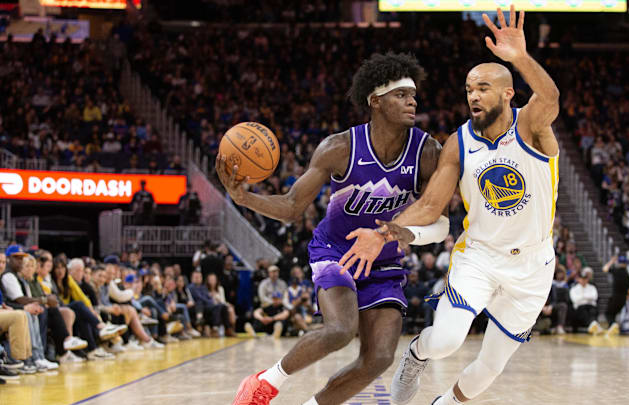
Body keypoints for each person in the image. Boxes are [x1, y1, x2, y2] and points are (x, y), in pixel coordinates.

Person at [338, 7, 560, 404]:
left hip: (533, 266)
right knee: (445, 341)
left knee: (490, 367)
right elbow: (429, 205)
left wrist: (520, 58)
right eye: (469, 89)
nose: (474, 95)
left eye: (483, 88)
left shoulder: (531, 125)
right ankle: (416, 355)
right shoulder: (459, 143)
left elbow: (551, 96)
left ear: (508, 93)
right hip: (480, 256)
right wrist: (383, 232)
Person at [217, 52, 445, 405]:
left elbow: (437, 214)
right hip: (335, 250)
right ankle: (264, 383)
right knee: (339, 330)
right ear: (376, 101)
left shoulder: (428, 152)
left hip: (384, 261)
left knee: (379, 359)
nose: (412, 100)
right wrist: (244, 197)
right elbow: (293, 207)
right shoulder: (339, 148)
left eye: (413, 94)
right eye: (401, 94)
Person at [602, 255, 629, 335]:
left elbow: (605, 269)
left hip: (616, 296)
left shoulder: (616, 271)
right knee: (614, 313)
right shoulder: (627, 275)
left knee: (608, 313)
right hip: (623, 298)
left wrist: (611, 261)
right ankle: (613, 327)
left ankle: (613, 327)